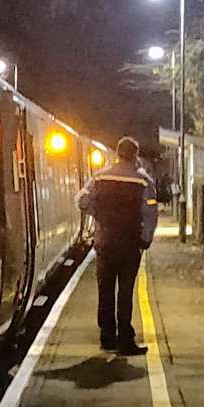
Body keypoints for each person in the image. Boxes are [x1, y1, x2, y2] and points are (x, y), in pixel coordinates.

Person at [76, 136, 158, 355]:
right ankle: (125, 340)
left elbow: (81, 200)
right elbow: (150, 211)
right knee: (125, 291)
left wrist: (100, 216)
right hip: (130, 244)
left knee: (105, 290)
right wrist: (146, 239)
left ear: (118, 153)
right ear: (135, 155)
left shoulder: (99, 177)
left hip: (105, 242)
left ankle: (107, 337)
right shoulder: (143, 181)